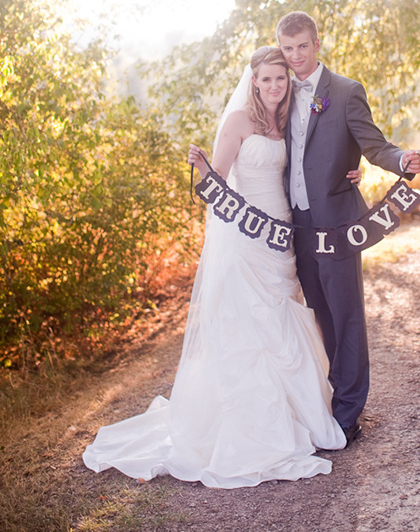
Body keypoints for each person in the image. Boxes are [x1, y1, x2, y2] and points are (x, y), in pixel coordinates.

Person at [83, 46, 365, 489]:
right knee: (248, 328)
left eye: (281, 78)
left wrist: (353, 170)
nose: (274, 85)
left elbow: (317, 158)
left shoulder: (287, 121)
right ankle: (246, 427)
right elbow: (216, 186)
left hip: (283, 237)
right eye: (266, 78)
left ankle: (299, 414)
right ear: (253, 81)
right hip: (246, 240)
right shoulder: (237, 122)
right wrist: (202, 169)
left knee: (281, 318)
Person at [276, 11, 420, 446]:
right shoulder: (279, 93)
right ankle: (327, 397)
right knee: (320, 316)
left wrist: (402, 161)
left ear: (317, 44)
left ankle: (347, 412)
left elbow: (374, 145)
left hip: (339, 221)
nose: (296, 56)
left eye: (303, 46)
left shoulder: (345, 92)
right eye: (288, 49)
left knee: (346, 316)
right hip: (298, 224)